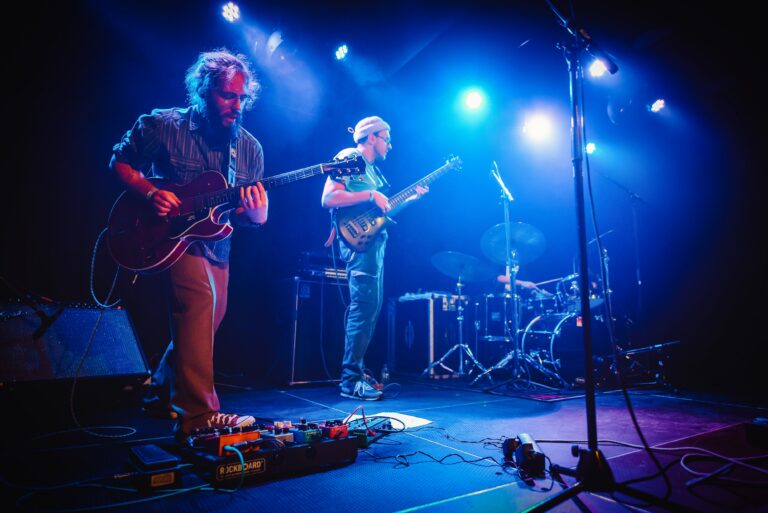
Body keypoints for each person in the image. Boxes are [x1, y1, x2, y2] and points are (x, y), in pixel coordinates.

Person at [110, 49, 267, 437]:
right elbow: (119, 160)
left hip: (217, 243)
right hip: (168, 239)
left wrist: (257, 215)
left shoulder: (249, 148)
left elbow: (249, 217)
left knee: (207, 320)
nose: (237, 105)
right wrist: (149, 193)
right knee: (199, 302)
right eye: (228, 96)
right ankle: (198, 416)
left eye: (242, 97)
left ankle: (157, 395)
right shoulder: (164, 124)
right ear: (203, 90)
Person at [321, 116, 427, 400]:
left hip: (373, 245)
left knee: (369, 310)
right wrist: (370, 194)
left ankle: (356, 372)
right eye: (387, 138)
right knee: (363, 309)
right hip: (358, 245)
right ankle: (350, 380)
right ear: (371, 137)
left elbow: (380, 215)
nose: (390, 145)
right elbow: (329, 198)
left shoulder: (375, 174)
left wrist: (408, 201)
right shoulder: (349, 157)